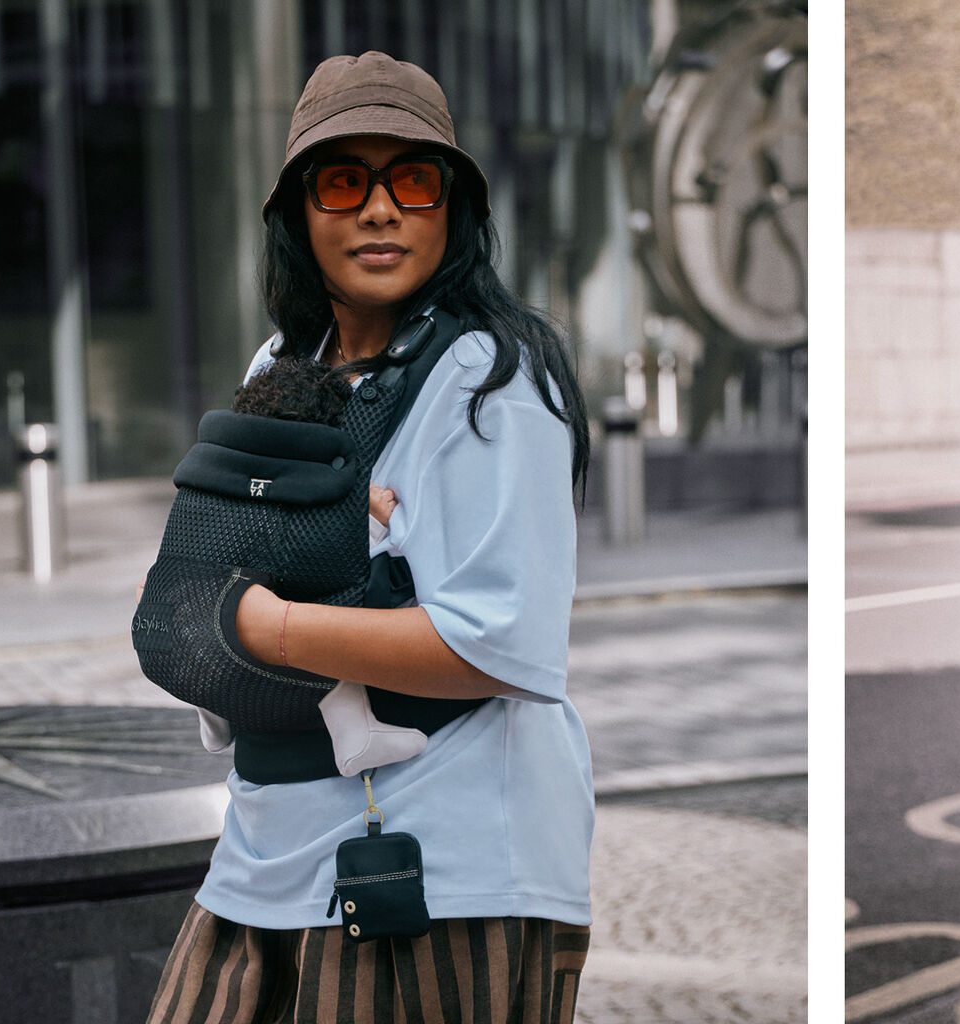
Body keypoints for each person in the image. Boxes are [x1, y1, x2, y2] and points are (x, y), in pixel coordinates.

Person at [144, 51, 595, 1023]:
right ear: (299, 212)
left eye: (412, 179)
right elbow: (213, 539)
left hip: (440, 872)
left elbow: (495, 643)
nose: (379, 209)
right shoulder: (284, 360)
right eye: (343, 179)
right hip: (265, 842)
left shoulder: (492, 380)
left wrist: (254, 623)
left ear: (452, 209)